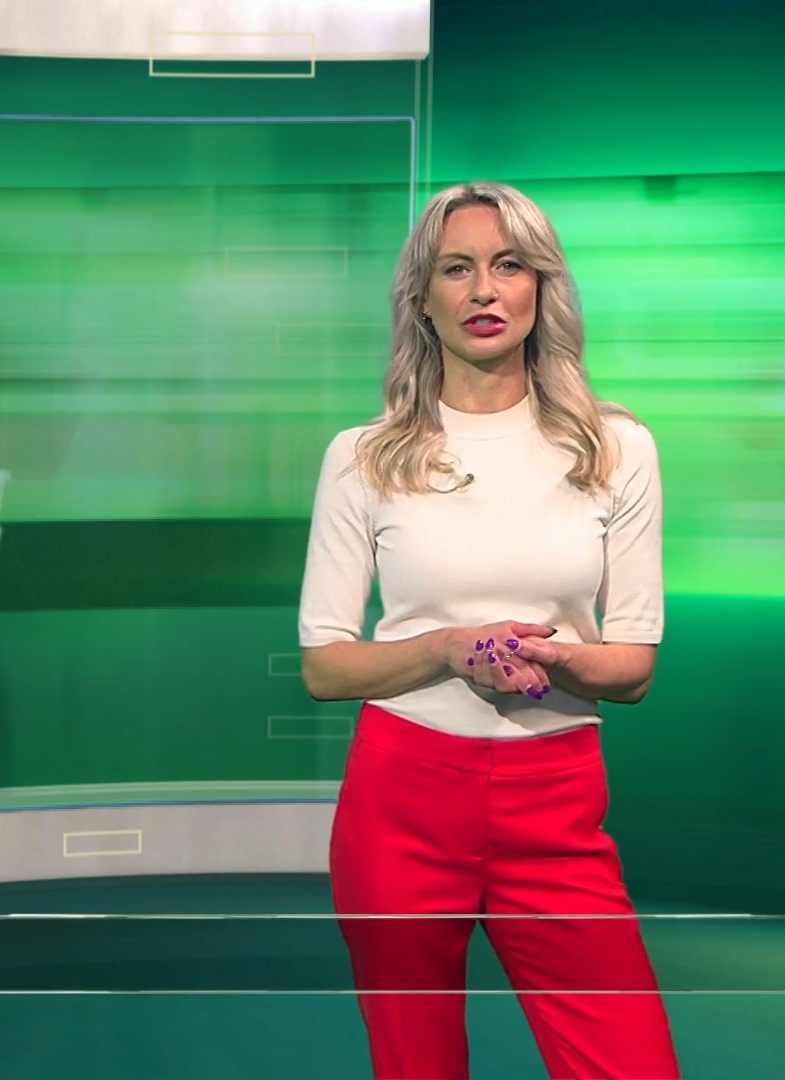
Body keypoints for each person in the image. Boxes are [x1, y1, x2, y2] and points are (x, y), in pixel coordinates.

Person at [297, 180, 681, 1079]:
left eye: (508, 265)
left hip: (556, 800)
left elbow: (633, 668)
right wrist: (447, 650)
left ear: (541, 286)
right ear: (422, 298)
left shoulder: (617, 448)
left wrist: (554, 658)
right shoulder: (363, 456)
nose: (484, 290)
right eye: (456, 269)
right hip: (401, 799)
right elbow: (325, 666)